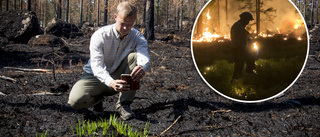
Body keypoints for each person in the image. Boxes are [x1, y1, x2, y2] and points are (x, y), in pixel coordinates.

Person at [67, 1, 150, 120]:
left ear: (134, 20)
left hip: (119, 76)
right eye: (122, 23)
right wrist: (110, 82)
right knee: (75, 101)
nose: (126, 28)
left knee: (136, 58)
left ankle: (124, 104)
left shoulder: (136, 36)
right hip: (95, 76)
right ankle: (97, 101)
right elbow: (97, 66)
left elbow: (144, 54)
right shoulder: (100, 35)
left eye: (130, 24)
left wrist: (142, 67)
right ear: (116, 17)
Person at [230, 12, 256, 81]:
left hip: (240, 48)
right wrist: (242, 48)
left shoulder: (240, 26)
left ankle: (245, 76)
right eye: (248, 20)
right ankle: (236, 79)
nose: (248, 22)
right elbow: (237, 39)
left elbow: (244, 36)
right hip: (238, 49)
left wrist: (250, 40)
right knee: (240, 64)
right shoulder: (238, 27)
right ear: (244, 19)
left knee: (249, 60)